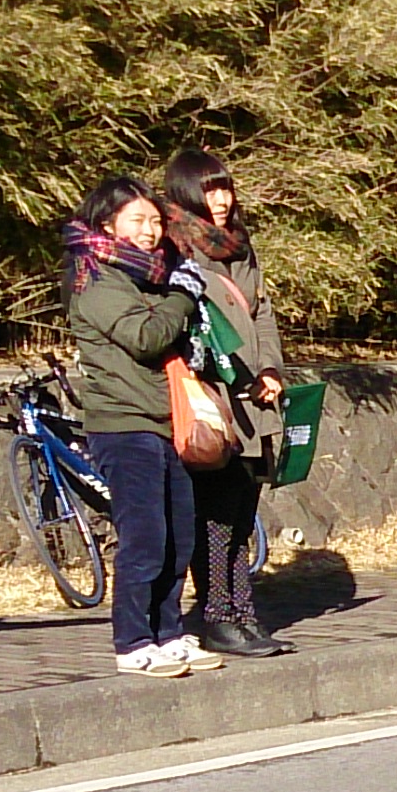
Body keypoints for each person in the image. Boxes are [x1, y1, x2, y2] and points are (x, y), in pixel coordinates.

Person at [62, 176, 220, 678]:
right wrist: (179, 297)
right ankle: (132, 641)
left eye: (155, 221)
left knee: (179, 535)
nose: (150, 231)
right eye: (137, 220)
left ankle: (169, 632)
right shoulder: (96, 282)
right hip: (122, 426)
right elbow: (147, 336)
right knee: (145, 538)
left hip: (164, 421)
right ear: (107, 224)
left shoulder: (148, 277)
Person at [163, 149, 294, 659]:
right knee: (214, 513)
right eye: (209, 190)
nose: (220, 199)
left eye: (224, 188)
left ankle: (243, 609)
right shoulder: (175, 249)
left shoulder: (241, 247)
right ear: (186, 195)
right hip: (210, 394)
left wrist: (271, 369)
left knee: (243, 508)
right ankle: (216, 613)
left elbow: (261, 313)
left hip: (253, 396)